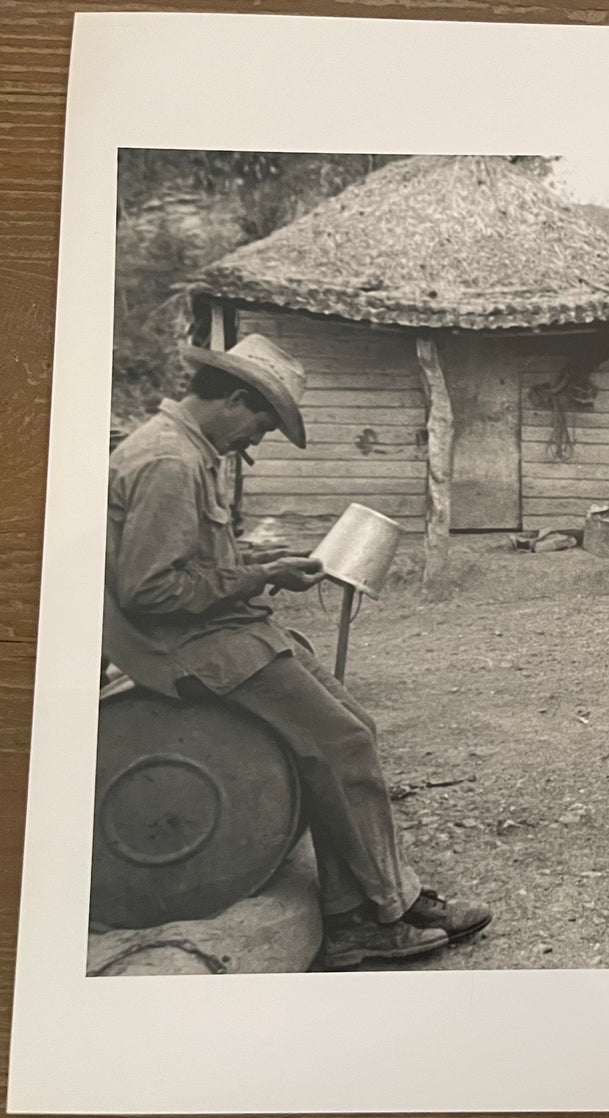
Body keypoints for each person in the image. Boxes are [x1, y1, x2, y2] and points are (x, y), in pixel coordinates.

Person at [105, 333, 493, 968]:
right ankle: (379, 915)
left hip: (212, 631)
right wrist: (261, 579)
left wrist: (260, 562)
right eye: (263, 423)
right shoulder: (170, 463)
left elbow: (186, 562)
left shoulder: (180, 449)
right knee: (343, 743)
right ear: (234, 399)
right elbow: (151, 591)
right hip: (187, 647)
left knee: (349, 732)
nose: (256, 441)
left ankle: (364, 906)